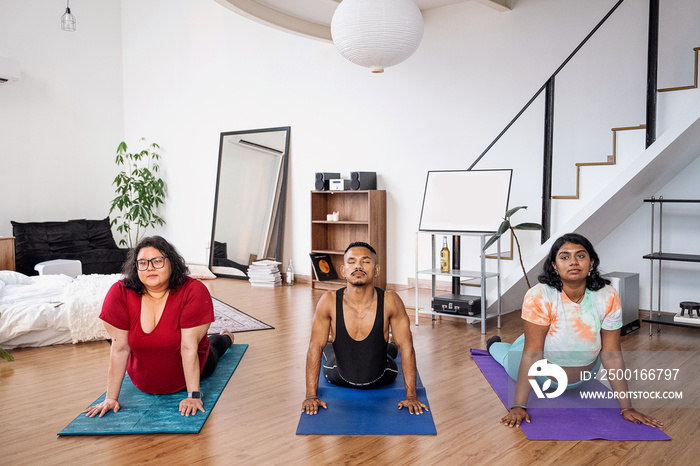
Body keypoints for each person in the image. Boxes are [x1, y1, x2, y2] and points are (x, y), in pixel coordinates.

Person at [487, 233, 663, 429]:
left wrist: (627, 408)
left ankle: (527, 336)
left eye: (580, 256)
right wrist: (519, 406)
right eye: (564, 257)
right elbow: (533, 353)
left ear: (592, 263)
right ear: (554, 265)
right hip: (542, 373)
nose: (573, 262)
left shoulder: (608, 295)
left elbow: (611, 355)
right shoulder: (539, 294)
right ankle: (494, 345)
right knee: (508, 357)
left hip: (584, 375)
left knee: (546, 335)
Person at [84, 236, 234, 418]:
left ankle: (227, 337)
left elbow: (188, 347)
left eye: (157, 261)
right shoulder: (120, 292)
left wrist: (194, 396)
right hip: (142, 379)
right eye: (143, 263)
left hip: (192, 369)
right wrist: (110, 398)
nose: (150, 268)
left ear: (172, 263)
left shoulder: (193, 290)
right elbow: (120, 348)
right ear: (135, 267)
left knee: (215, 346)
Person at [302, 241, 428, 416]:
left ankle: (388, 343)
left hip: (382, 375)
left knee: (393, 349)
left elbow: (407, 347)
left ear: (376, 270)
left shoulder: (391, 300)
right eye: (352, 261)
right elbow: (314, 347)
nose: (358, 266)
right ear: (343, 270)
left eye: (365, 261)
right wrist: (310, 395)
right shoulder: (329, 301)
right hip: (337, 374)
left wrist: (412, 396)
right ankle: (337, 338)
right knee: (326, 348)